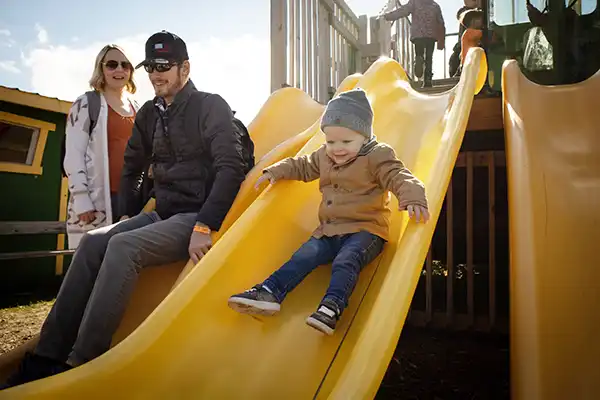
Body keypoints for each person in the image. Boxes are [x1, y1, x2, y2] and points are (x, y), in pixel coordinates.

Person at [1, 31, 249, 389]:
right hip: (161, 213)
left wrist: (204, 226)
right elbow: (133, 169)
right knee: (93, 243)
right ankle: (46, 355)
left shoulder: (210, 106)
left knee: (122, 247)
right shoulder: (149, 113)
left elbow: (231, 168)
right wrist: (124, 216)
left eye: (164, 66)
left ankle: (79, 366)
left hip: (195, 214)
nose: (156, 74)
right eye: (150, 67)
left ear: (185, 68)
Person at [227, 88, 430, 336]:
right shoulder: (325, 156)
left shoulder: (377, 156)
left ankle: (332, 306)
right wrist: (275, 171)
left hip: (366, 231)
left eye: (346, 142)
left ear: (364, 138)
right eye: (331, 141)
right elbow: (302, 165)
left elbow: (399, 176)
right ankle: (269, 292)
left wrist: (413, 197)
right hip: (329, 230)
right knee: (304, 255)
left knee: (347, 260)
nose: (337, 148)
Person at [64, 44, 140, 249]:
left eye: (125, 65)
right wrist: (81, 198)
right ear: (101, 68)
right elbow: (73, 154)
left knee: (124, 263)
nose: (119, 70)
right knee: (93, 263)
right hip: (96, 201)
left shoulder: (138, 108)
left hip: (130, 202)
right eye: (112, 64)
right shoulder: (86, 103)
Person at [382, 0, 446, 88]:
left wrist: (389, 16)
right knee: (429, 58)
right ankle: (428, 80)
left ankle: (419, 59)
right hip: (431, 36)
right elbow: (441, 23)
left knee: (419, 53)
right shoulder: (435, 6)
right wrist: (441, 41)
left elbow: (403, 11)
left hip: (418, 35)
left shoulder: (415, 2)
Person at [449, 0, 480, 77]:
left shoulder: (485, 13)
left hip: (477, 44)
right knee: (454, 59)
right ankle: (459, 71)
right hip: (462, 45)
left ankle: (460, 70)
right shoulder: (464, 12)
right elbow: (461, 15)